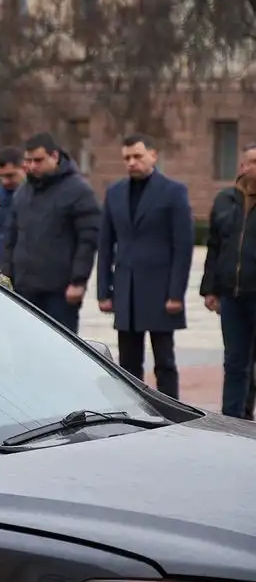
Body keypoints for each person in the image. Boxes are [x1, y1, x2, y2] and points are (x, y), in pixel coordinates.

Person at [96, 134, 193, 399]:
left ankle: (173, 410)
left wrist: (176, 294)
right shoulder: (115, 193)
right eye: (127, 158)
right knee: (128, 364)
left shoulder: (174, 192)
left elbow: (183, 247)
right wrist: (104, 291)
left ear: (153, 155)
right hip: (126, 291)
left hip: (161, 292)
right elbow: (105, 245)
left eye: (137, 156)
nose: (131, 162)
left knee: (165, 361)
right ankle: (135, 409)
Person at [0, 132, 101, 333]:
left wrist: (78, 281)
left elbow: (88, 240)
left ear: (54, 156)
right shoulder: (23, 192)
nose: (32, 166)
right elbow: (10, 237)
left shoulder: (78, 191)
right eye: (29, 161)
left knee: (60, 343)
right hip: (24, 289)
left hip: (60, 292)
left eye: (38, 160)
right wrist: (6, 275)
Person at [200, 144, 256, 417]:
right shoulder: (225, 200)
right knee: (235, 363)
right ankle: (234, 420)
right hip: (232, 298)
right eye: (252, 161)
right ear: (242, 166)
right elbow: (214, 246)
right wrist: (210, 289)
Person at [0, 146, 26, 237]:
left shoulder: (39, 196)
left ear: (24, 168)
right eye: (1, 176)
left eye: (10, 176)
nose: (5, 181)